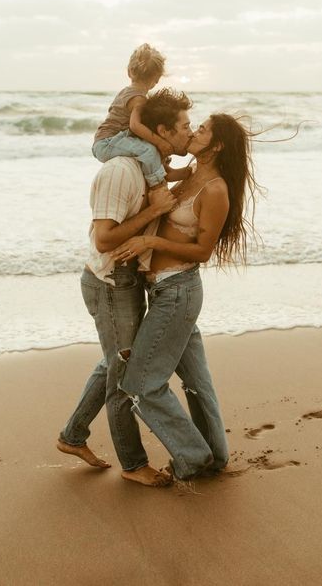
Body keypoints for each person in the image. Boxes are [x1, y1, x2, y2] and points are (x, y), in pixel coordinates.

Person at [57, 88, 195, 486]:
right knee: (123, 374)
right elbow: (104, 239)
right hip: (110, 283)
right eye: (184, 126)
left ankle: (72, 435)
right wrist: (155, 211)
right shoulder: (120, 171)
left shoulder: (152, 168)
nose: (190, 132)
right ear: (162, 131)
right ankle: (133, 466)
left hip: (127, 280)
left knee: (113, 362)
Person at [111, 111, 258, 480]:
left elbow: (203, 251)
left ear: (216, 145)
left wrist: (151, 241)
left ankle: (192, 456)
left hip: (178, 291)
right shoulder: (191, 176)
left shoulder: (215, 190)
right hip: (163, 290)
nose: (194, 132)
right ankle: (217, 456)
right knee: (196, 382)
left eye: (203, 130)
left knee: (141, 385)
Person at [92, 43, 191, 187]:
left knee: (147, 145)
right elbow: (135, 126)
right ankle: (158, 185)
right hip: (107, 142)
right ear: (157, 79)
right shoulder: (139, 99)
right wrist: (160, 142)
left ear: (129, 71)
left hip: (110, 140)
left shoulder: (127, 91)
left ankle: (165, 171)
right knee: (148, 150)